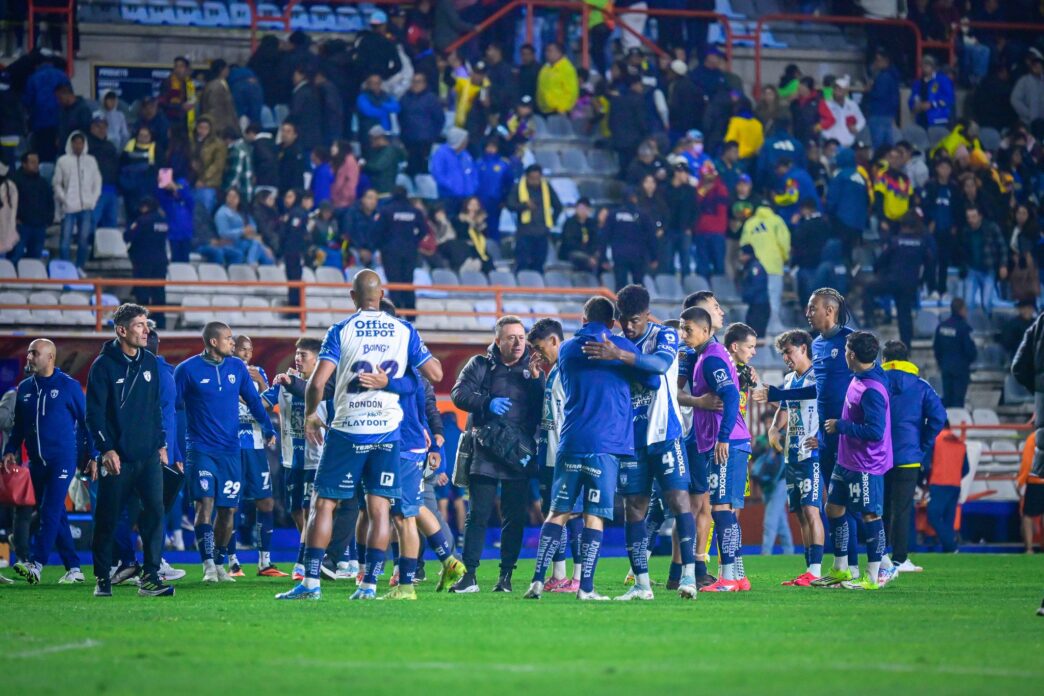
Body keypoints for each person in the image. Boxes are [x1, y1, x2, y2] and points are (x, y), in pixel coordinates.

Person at [276, 270, 443, 600]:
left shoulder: (341, 330)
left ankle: (311, 583)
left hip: (348, 428)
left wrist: (311, 415)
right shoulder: (404, 330)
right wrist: (395, 379)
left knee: (323, 503)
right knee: (379, 508)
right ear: (381, 294)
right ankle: (368, 586)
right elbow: (435, 373)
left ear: (352, 297)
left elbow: (318, 382)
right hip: (386, 431)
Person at [524, 296, 657, 600]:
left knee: (557, 512)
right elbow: (653, 381)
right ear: (612, 322)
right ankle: (585, 587)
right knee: (593, 515)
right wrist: (624, 361)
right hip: (606, 444)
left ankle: (537, 581)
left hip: (570, 442)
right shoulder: (620, 347)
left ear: (583, 320)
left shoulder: (568, 348)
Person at [584, 285, 700, 599]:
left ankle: (689, 577)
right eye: (624, 320)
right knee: (634, 509)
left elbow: (661, 366)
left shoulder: (665, 336)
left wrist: (619, 355)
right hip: (630, 439)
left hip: (665, 433)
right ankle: (642, 584)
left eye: (635, 320)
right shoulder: (617, 341)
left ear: (648, 315)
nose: (630, 326)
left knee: (679, 503)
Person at [175, 321, 275, 583]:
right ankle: (208, 564)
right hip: (201, 449)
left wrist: (267, 428)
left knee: (228, 510)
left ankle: (220, 562)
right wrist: (172, 447)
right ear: (213, 342)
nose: (233, 342)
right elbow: (172, 408)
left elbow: (253, 401)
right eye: (229, 338)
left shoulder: (236, 368)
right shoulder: (187, 370)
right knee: (204, 504)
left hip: (231, 451)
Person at [448, 316, 542, 593]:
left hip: (518, 454)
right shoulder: (480, 364)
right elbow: (458, 394)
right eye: (511, 337)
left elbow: (541, 411)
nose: (517, 343)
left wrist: (537, 383)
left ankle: (506, 578)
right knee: (477, 514)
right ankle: (470, 576)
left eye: (521, 337)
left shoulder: (534, 369)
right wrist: (487, 402)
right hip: (485, 451)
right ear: (498, 340)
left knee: (514, 517)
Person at [85, 305, 173, 597]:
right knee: (108, 518)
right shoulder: (102, 366)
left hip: (148, 455)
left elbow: (154, 409)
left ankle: (150, 577)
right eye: (139, 325)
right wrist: (106, 449)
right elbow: (94, 415)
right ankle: (102, 577)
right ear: (122, 330)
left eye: (146, 325)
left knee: (155, 513)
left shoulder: (149, 362)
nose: (146, 331)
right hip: (117, 458)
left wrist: (160, 444)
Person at [3, 339, 94, 586]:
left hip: (62, 461)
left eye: (35, 353)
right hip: (36, 462)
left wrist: (93, 456)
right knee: (55, 513)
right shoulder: (24, 389)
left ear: (50, 357)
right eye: (29, 353)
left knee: (50, 510)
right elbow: (19, 427)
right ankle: (74, 568)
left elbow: (88, 424)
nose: (29, 357)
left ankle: (36, 563)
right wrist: (10, 449)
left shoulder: (69, 386)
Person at [678, 306, 752, 592]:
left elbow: (731, 396)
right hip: (729, 441)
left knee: (721, 509)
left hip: (727, 443)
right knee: (725, 509)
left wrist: (722, 438)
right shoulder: (705, 356)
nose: (684, 334)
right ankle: (738, 575)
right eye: (682, 328)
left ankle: (728, 578)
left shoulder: (711, 359)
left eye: (689, 329)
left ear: (706, 331)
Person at [811, 331, 891, 590]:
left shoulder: (872, 390)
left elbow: (875, 432)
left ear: (853, 355)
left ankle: (874, 576)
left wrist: (841, 426)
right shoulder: (861, 375)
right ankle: (841, 568)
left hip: (866, 464)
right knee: (833, 508)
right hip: (846, 460)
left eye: (846, 350)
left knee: (870, 515)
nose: (843, 354)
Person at [762, 330, 825, 586]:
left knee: (812, 510)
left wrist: (823, 438)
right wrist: (775, 428)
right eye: (783, 353)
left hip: (812, 455)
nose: (786, 357)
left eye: (788, 351)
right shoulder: (789, 380)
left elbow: (828, 406)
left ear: (803, 349)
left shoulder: (818, 377)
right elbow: (786, 410)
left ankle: (817, 570)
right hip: (792, 455)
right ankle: (808, 569)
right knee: (799, 512)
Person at [525, 318, 584, 593]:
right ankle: (559, 574)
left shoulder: (572, 370)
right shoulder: (553, 373)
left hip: (566, 455)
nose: (538, 353)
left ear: (554, 341)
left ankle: (579, 576)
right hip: (548, 455)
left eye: (539, 347)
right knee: (552, 514)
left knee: (573, 516)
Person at [881, 339, 946, 577]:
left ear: (884, 360)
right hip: (909, 456)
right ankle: (900, 559)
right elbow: (938, 417)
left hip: (879, 456)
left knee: (880, 507)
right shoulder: (921, 386)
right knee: (902, 508)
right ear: (907, 359)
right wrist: (923, 444)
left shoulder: (876, 382)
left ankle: (880, 556)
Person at [863, 212, 933, 346]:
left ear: (902, 226)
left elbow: (881, 261)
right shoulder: (922, 244)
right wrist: (922, 281)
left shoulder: (895, 242)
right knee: (904, 315)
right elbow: (930, 264)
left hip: (893, 281)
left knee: (868, 289)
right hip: (910, 284)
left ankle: (869, 321)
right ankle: (907, 347)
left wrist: (879, 272)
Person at [53, 131, 101, 269]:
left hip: (86, 207)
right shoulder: (63, 161)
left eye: (81, 143)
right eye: (75, 143)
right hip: (69, 208)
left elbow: (97, 182)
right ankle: (66, 268)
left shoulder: (91, 160)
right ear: (71, 144)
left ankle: (80, 267)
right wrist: (64, 199)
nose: (78, 145)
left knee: (83, 240)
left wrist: (93, 200)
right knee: (65, 240)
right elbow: (57, 183)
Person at [739, 204, 790, 334]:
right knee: (773, 296)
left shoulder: (750, 223)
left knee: (759, 297)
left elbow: (744, 243)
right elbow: (784, 241)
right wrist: (784, 257)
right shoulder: (777, 221)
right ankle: (773, 325)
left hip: (756, 264)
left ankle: (760, 327)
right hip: (773, 263)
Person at [373, 185, 425, 311]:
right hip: (409, 251)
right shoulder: (414, 211)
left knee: (394, 282)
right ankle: (410, 313)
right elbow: (424, 230)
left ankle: (395, 312)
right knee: (408, 281)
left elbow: (378, 231)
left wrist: (381, 246)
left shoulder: (386, 211)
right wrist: (414, 242)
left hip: (390, 252)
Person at [123, 197, 168, 328]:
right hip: (160, 261)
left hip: (143, 261)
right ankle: (160, 322)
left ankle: (142, 323)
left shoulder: (142, 221)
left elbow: (128, 236)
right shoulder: (163, 221)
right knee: (159, 291)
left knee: (142, 291)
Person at [507, 164, 561, 273]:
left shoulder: (547, 187)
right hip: (525, 232)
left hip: (542, 232)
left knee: (539, 263)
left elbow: (558, 206)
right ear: (526, 177)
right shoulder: (518, 187)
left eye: (537, 178)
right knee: (522, 263)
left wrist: (550, 222)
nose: (535, 181)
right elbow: (510, 205)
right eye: (532, 178)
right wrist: (524, 205)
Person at [924, 424, 968, 553]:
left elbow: (926, 464)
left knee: (933, 515)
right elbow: (966, 469)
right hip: (955, 485)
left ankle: (951, 545)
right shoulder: (960, 442)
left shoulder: (935, 439)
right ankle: (949, 549)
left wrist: (925, 480)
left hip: (938, 482)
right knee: (948, 518)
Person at [604, 188, 657, 289]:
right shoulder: (643, 215)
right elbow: (651, 237)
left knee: (620, 285)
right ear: (635, 198)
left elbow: (604, 237)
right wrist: (654, 257)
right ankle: (640, 304)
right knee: (639, 285)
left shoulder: (613, 215)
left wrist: (603, 258)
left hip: (619, 255)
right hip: (638, 255)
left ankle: (619, 304)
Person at [960, 204, 1006, 316]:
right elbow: (963, 251)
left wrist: (1003, 265)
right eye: (968, 217)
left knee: (986, 303)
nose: (970, 220)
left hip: (988, 270)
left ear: (980, 216)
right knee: (968, 302)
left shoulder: (991, 228)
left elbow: (1002, 247)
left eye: (973, 216)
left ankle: (989, 325)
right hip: (972, 270)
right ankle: (967, 330)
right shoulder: (966, 231)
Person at [933, 298, 978, 408]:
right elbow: (970, 351)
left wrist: (941, 363)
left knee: (947, 399)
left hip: (946, 367)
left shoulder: (941, 326)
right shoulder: (965, 328)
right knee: (958, 402)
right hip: (960, 370)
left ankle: (946, 425)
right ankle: (956, 424)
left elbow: (936, 347)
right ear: (961, 310)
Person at [9, 152, 53, 261]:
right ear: (24, 164)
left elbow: (49, 201)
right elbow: (9, 202)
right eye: (32, 162)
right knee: (16, 254)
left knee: (35, 256)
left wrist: (48, 219)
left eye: (37, 162)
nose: (36, 165)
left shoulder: (43, 182)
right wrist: (14, 219)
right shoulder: (15, 181)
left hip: (39, 226)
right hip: (21, 225)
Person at [399, 72, 445, 175]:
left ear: (424, 84)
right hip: (409, 140)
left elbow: (439, 119)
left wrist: (432, 135)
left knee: (423, 169)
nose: (415, 84)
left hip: (425, 140)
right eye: (413, 81)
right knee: (410, 168)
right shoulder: (405, 98)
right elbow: (401, 117)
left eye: (418, 82)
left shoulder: (431, 99)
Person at [430, 127, 477, 215]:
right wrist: (452, 187)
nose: (466, 142)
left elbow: (473, 173)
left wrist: (472, 188)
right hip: (448, 197)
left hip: (466, 198)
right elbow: (438, 174)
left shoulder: (466, 155)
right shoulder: (441, 153)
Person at [864, 48, 900, 148]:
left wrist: (869, 90)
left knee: (878, 147)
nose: (876, 63)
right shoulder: (893, 75)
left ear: (885, 61)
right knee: (888, 147)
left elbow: (880, 94)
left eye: (878, 60)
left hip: (878, 115)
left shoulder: (884, 76)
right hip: (888, 115)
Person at [818, 76, 865, 148]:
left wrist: (856, 128)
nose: (837, 93)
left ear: (845, 91)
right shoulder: (826, 104)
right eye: (835, 89)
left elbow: (861, 119)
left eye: (840, 90)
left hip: (849, 142)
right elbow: (821, 123)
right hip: (831, 144)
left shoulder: (852, 104)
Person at [909, 55, 954, 129]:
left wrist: (932, 104)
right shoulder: (918, 83)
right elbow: (912, 98)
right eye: (923, 65)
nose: (924, 67)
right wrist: (914, 105)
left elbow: (949, 99)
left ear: (933, 67)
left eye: (927, 64)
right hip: (921, 120)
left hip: (938, 120)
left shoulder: (942, 80)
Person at [1017, 430, 1043, 554]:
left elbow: (1027, 463)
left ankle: (1029, 548)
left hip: (1036, 481)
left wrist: (1021, 481)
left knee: (1028, 515)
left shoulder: (1034, 438)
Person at [559, 197, 601, 272]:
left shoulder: (592, 223)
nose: (582, 211)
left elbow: (595, 240)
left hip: (589, 252)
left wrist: (592, 252)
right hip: (572, 251)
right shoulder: (570, 223)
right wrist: (585, 252)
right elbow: (569, 242)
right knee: (581, 258)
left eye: (585, 209)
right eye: (580, 208)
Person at [198, 59, 238, 138]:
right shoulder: (216, 86)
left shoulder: (218, 84)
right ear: (221, 70)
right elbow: (215, 108)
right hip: (220, 128)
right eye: (226, 68)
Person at [536, 42, 578, 115]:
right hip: (544, 110)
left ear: (559, 52)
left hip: (559, 111)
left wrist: (562, 108)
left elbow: (571, 92)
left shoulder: (567, 68)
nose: (547, 53)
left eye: (550, 51)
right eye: (546, 51)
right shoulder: (545, 68)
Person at [738, 244, 769, 337]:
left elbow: (757, 285)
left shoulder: (755, 267)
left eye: (742, 255)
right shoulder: (748, 267)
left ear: (747, 255)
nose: (740, 258)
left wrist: (746, 296)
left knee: (755, 335)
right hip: (755, 305)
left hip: (760, 306)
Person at [158, 56, 197, 131]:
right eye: (176, 66)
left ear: (187, 69)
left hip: (185, 120)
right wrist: (180, 107)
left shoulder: (189, 83)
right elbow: (162, 103)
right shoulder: (168, 82)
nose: (178, 69)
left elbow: (191, 99)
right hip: (170, 120)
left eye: (181, 66)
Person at [1011, 48, 1044, 126]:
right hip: (1027, 122)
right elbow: (1014, 99)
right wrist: (1028, 113)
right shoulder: (1023, 81)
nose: (1036, 66)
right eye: (1034, 64)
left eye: (1039, 64)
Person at [277, 120, 309, 195]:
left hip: (292, 190)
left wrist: (294, 191)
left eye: (288, 132)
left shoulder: (297, 152)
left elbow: (297, 174)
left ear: (295, 135)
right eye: (283, 131)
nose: (284, 134)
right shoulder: (277, 149)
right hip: (279, 188)